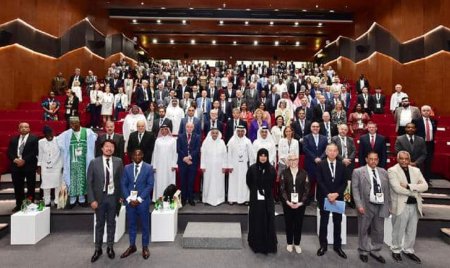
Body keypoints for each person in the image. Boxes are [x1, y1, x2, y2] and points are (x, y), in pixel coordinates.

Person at [388, 151, 428, 264]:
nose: (404, 161)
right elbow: (397, 189)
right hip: (401, 205)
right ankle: (396, 250)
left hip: (415, 205)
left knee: (412, 230)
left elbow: (425, 186)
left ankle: (408, 250)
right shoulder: (392, 170)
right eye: (402, 158)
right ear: (397, 159)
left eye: (406, 159)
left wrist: (408, 186)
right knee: (398, 229)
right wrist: (415, 191)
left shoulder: (416, 170)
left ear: (409, 160)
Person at [87, 139, 124, 263]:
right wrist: (92, 200)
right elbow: (89, 183)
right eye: (107, 146)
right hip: (99, 198)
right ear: (102, 148)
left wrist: (121, 196)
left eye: (111, 146)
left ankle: (110, 247)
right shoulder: (94, 162)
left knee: (112, 223)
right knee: (100, 224)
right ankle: (98, 249)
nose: (109, 148)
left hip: (113, 197)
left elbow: (121, 181)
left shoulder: (118, 161)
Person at [352, 152, 391, 263]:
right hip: (365, 205)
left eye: (375, 159)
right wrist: (359, 205)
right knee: (363, 229)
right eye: (371, 159)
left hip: (381, 204)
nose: (373, 161)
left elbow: (387, 190)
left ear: (378, 160)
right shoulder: (358, 172)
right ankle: (363, 250)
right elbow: (355, 190)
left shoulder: (383, 172)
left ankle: (375, 250)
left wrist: (389, 205)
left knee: (379, 230)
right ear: (366, 159)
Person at [120, 149, 154, 260]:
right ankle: (132, 246)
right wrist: (129, 199)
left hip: (142, 202)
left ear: (143, 155)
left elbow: (150, 185)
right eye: (135, 154)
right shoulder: (127, 168)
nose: (137, 156)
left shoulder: (149, 168)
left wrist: (139, 199)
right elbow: (123, 184)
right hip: (130, 202)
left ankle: (145, 247)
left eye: (139, 154)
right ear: (131, 156)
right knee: (131, 225)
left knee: (145, 225)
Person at [316, 143, 348, 259]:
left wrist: (336, 194)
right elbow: (319, 181)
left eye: (335, 150)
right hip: (325, 197)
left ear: (338, 152)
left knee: (337, 222)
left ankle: (337, 246)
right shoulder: (320, 165)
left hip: (337, 198)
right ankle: (323, 246)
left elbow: (344, 182)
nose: (332, 152)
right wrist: (328, 194)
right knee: (324, 222)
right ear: (326, 152)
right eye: (330, 150)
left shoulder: (342, 165)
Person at [58, 116, 97, 208]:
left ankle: (82, 199)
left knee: (83, 178)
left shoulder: (87, 132)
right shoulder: (67, 134)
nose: (73, 125)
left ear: (79, 123)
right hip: (72, 162)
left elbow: (94, 139)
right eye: (71, 123)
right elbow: (58, 142)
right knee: (72, 179)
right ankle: (72, 200)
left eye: (75, 123)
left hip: (85, 161)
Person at [246, 148, 277, 254]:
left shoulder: (272, 169)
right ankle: (256, 243)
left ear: (267, 157)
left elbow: (273, 183)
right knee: (256, 219)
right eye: (261, 155)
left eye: (265, 156)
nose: (263, 158)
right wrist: (256, 190)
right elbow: (249, 182)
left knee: (268, 219)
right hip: (255, 200)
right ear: (258, 156)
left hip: (268, 200)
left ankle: (268, 244)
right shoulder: (252, 169)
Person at [280, 154, 310, 254]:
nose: (293, 161)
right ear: (288, 161)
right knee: (288, 223)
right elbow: (282, 189)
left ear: (298, 160)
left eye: (295, 159)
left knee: (298, 224)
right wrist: (287, 201)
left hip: (300, 204)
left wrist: (301, 203)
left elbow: (307, 189)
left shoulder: (304, 173)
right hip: (287, 203)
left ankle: (297, 244)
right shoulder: (284, 173)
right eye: (291, 160)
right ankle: (289, 243)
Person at [7, 122, 39, 212]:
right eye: (22, 127)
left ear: (29, 129)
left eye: (26, 127)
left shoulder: (34, 139)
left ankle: (29, 204)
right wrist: (15, 160)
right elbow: (9, 152)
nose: (24, 128)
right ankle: (19, 204)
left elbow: (34, 152)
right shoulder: (13, 140)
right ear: (18, 129)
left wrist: (24, 160)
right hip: (16, 166)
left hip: (29, 166)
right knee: (18, 186)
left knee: (31, 186)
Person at [227, 125, 255, 205]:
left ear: (244, 132)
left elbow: (251, 155)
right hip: (234, 166)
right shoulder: (231, 141)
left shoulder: (247, 141)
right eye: (238, 131)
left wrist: (251, 166)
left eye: (242, 131)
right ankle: (232, 199)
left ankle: (245, 199)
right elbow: (229, 155)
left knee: (244, 182)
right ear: (236, 132)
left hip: (244, 166)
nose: (240, 133)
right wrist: (230, 166)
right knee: (233, 182)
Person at [200, 128, 227, 206]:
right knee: (208, 182)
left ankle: (219, 199)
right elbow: (203, 154)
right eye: (213, 133)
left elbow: (225, 155)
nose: (215, 134)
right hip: (208, 167)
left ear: (218, 134)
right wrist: (203, 166)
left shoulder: (222, 142)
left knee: (219, 183)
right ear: (210, 134)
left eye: (216, 133)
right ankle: (207, 199)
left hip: (219, 167)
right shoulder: (206, 142)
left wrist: (224, 166)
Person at [37, 126, 63, 207]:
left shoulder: (59, 140)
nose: (49, 136)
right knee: (46, 185)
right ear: (44, 135)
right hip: (45, 166)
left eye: (50, 134)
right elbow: (40, 154)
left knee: (58, 185)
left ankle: (57, 201)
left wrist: (63, 166)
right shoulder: (41, 142)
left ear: (53, 132)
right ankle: (47, 201)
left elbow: (63, 153)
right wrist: (39, 166)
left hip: (57, 165)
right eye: (47, 135)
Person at [151, 125, 177, 201]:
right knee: (159, 181)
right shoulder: (157, 140)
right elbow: (155, 153)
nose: (164, 131)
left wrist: (174, 164)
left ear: (168, 130)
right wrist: (154, 166)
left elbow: (175, 153)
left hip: (169, 165)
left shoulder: (173, 140)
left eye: (166, 129)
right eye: (162, 129)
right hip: (159, 165)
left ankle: (169, 198)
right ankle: (158, 198)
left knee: (169, 181)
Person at [177, 122, 201, 206]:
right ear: (185, 127)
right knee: (183, 181)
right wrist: (184, 158)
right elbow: (178, 149)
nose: (189, 128)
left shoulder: (197, 137)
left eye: (191, 127)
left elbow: (197, 149)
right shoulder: (180, 136)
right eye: (188, 127)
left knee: (191, 181)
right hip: (182, 162)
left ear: (193, 128)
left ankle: (191, 199)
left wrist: (190, 157)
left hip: (192, 162)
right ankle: (183, 199)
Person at [412, 105, 437, 184]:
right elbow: (413, 133)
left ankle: (427, 180)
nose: (426, 112)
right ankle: (417, 180)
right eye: (424, 110)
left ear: (430, 112)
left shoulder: (434, 121)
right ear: (421, 112)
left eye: (428, 110)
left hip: (430, 144)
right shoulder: (416, 121)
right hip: (419, 144)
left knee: (428, 162)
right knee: (418, 162)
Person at [302, 122, 328, 199]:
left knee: (321, 182)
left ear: (319, 128)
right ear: (311, 128)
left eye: (317, 126)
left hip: (321, 163)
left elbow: (326, 150)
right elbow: (305, 149)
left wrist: (321, 158)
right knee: (309, 182)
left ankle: (320, 199)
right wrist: (314, 158)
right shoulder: (306, 138)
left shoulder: (324, 138)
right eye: (313, 126)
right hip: (310, 163)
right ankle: (308, 198)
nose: (315, 128)